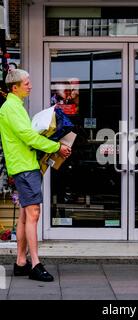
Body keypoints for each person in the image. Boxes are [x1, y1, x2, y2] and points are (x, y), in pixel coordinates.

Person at [0, 69, 71, 282]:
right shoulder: (11, 108)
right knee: (33, 214)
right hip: (24, 167)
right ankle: (35, 264)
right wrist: (56, 146)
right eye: (27, 83)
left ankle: (21, 262)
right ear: (15, 87)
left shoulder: (14, 107)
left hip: (24, 165)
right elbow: (28, 136)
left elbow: (25, 135)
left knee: (24, 215)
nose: (30, 86)